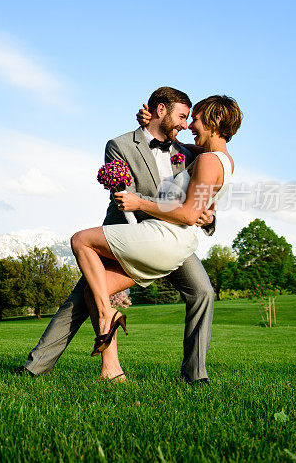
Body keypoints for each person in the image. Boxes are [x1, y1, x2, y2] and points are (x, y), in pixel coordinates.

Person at [17, 87, 221, 384]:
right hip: (132, 233)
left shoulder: (188, 151)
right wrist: (176, 210)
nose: (184, 124)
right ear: (160, 110)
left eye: (189, 119)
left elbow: (215, 163)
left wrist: (208, 217)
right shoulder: (120, 145)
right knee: (82, 298)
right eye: (180, 116)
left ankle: (195, 375)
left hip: (173, 237)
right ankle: (34, 367)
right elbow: (123, 196)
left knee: (203, 292)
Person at [73, 93, 241, 381]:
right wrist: (150, 122)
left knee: (80, 240)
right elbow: (201, 203)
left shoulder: (207, 162)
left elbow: (189, 214)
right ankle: (111, 370)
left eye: (197, 119)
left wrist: (140, 203)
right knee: (93, 289)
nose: (190, 125)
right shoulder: (222, 161)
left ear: (214, 122)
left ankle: (107, 315)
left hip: (163, 237)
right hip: (176, 242)